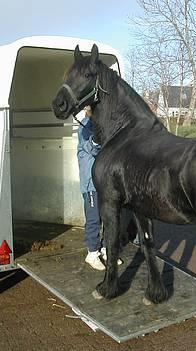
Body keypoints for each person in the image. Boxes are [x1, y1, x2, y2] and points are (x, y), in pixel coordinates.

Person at [77, 106, 122, 270]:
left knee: (108, 218)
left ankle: (106, 249)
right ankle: (92, 253)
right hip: (91, 183)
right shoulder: (85, 126)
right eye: (90, 109)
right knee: (94, 219)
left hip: (106, 182)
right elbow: (90, 148)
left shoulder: (104, 124)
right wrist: (97, 136)